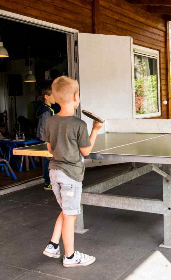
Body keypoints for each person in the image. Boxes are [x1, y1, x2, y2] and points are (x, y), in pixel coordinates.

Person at [42, 76, 102, 268]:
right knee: (70, 215)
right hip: (70, 176)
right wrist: (96, 129)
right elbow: (86, 151)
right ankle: (70, 257)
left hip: (54, 172)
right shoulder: (79, 125)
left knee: (66, 210)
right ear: (76, 97)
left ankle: (53, 244)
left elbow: (50, 149)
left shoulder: (50, 122)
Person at [36, 87, 56, 190]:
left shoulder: (49, 109)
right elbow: (44, 127)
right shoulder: (45, 111)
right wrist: (46, 140)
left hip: (48, 139)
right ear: (46, 97)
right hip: (46, 139)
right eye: (53, 95)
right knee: (47, 161)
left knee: (49, 160)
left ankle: (50, 181)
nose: (55, 97)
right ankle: (47, 182)